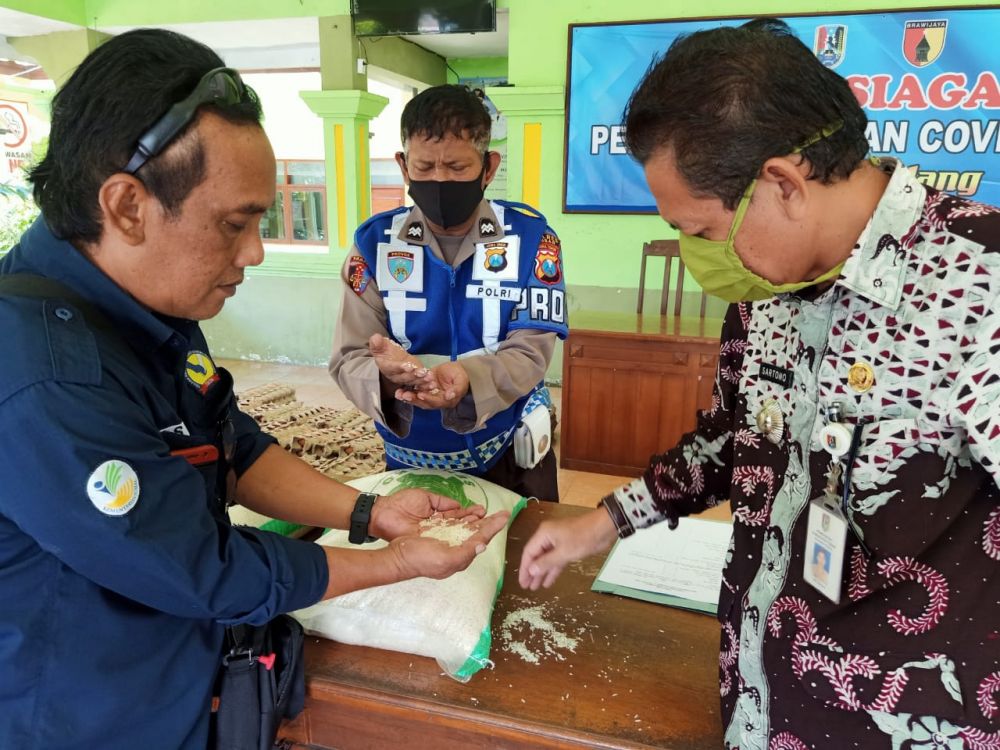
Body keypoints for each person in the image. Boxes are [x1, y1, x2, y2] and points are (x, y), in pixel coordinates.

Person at [0, 29, 509, 749]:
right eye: (234, 224)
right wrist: (391, 565)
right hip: (97, 720)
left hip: (187, 682)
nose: (256, 252)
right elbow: (199, 567)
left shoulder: (150, 309)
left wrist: (371, 513)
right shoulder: (45, 376)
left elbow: (233, 447)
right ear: (126, 206)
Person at [519, 18, 1000, 748]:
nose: (698, 258)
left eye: (702, 232)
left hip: (903, 723)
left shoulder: (978, 282)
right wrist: (606, 521)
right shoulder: (766, 293)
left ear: (782, 184)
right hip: (757, 699)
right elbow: (732, 439)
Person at [330, 84, 567, 501]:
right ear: (404, 166)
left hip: (507, 458)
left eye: (457, 167)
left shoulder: (532, 241)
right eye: (424, 166)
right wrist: (387, 379)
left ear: (488, 168)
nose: (439, 180)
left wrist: (469, 380)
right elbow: (349, 356)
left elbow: (530, 352)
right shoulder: (374, 246)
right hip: (408, 462)